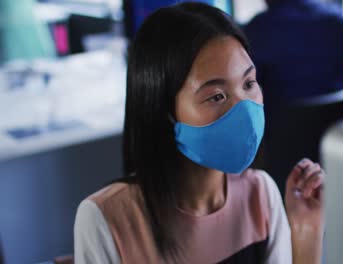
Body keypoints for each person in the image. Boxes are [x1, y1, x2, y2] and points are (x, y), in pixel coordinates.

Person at [74, 3, 324, 264]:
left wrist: (307, 231)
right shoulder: (107, 219)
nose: (245, 111)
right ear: (164, 110)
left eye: (249, 83)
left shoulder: (260, 194)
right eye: (216, 96)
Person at [244, 0, 343, 103]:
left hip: (282, 117)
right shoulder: (335, 16)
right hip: (336, 115)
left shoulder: (261, 26)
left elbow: (247, 81)